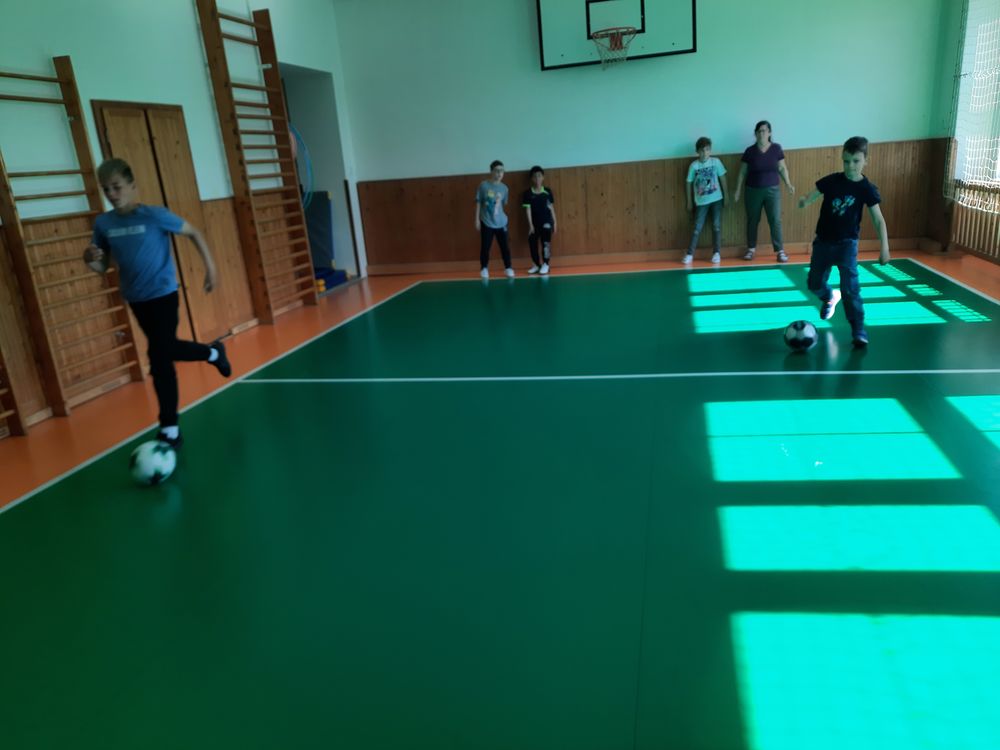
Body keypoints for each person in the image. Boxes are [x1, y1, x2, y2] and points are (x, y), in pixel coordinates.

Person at [83, 158, 230, 448]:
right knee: (164, 352)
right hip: (136, 299)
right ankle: (212, 353)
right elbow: (102, 266)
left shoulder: (154, 215)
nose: (112, 194)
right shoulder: (104, 224)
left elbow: (193, 232)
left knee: (160, 354)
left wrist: (211, 268)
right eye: (106, 189)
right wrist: (89, 260)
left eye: (117, 187)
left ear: (132, 185)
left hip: (163, 294)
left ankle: (170, 428)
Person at [797, 136, 890, 348]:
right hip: (823, 242)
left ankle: (858, 329)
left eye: (856, 161)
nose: (850, 166)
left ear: (866, 160)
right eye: (846, 161)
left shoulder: (866, 188)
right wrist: (805, 200)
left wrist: (884, 247)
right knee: (813, 284)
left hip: (847, 244)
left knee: (850, 288)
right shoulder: (832, 181)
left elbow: (878, 219)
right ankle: (829, 297)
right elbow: (814, 194)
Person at [733, 120, 795, 262]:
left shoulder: (776, 148)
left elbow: (782, 168)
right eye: (759, 131)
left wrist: (788, 184)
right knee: (752, 220)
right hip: (752, 191)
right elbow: (742, 172)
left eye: (764, 130)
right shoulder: (749, 151)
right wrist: (737, 190)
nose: (762, 133)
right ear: (755, 134)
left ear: (769, 133)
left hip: (773, 191)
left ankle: (780, 251)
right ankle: (751, 249)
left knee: (775, 220)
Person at [683, 137, 728, 264]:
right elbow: (688, 183)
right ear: (697, 151)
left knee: (716, 225)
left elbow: (723, 179)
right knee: (697, 227)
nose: (705, 153)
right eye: (702, 150)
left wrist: (726, 196)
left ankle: (716, 253)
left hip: (716, 199)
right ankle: (690, 254)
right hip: (701, 202)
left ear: (710, 150)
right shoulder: (694, 166)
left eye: (707, 150)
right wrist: (689, 201)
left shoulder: (716, 162)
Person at [475, 160, 514, 279]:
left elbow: (502, 204)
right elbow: (478, 202)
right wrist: (476, 220)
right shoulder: (483, 186)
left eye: (502, 171)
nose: (499, 173)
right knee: (485, 247)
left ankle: (508, 268)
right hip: (486, 221)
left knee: (505, 247)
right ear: (491, 171)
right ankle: (484, 268)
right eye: (497, 171)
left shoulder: (504, 188)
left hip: (501, 222)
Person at [522, 166, 557, 274]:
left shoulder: (547, 191)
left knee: (546, 244)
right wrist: (530, 225)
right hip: (534, 224)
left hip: (546, 223)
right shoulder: (527, 193)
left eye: (539, 176)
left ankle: (546, 264)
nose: (537, 178)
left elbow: (551, 207)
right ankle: (536, 265)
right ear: (532, 179)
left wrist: (555, 222)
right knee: (532, 242)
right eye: (535, 176)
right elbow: (528, 210)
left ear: (543, 177)